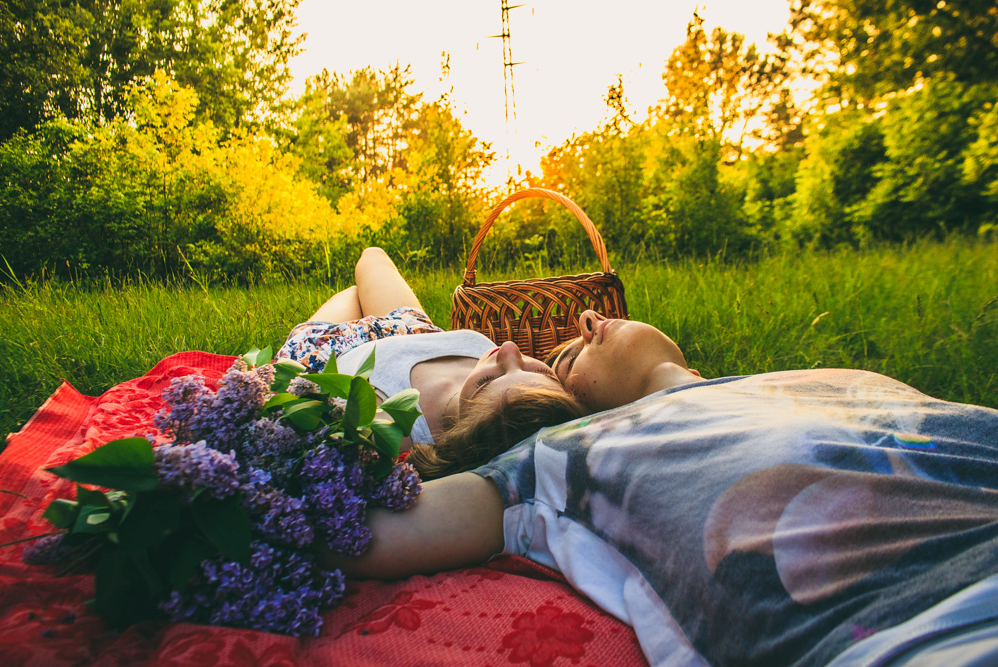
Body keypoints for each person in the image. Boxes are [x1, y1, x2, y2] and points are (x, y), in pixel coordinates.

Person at [324, 307, 998, 667]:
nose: (587, 320)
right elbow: (369, 531)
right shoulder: (560, 452)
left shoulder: (798, 381)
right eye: (565, 358)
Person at [275, 247, 586, 477]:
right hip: (411, 328)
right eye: (539, 369)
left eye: (489, 380)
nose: (508, 350)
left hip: (331, 348)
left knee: (354, 292)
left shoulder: (396, 427)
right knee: (372, 257)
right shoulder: (524, 394)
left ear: (466, 431)